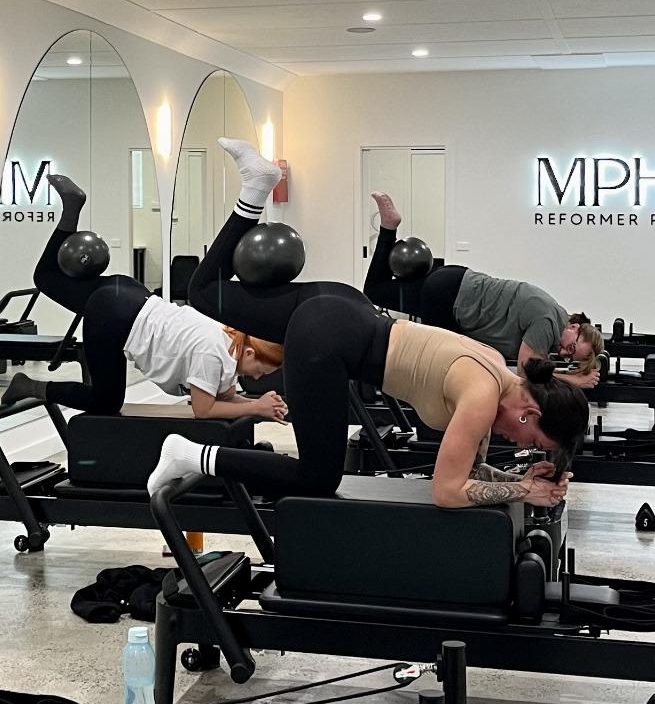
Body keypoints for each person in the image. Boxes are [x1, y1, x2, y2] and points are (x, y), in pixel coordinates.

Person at [149, 140, 587, 510]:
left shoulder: (495, 371)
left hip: (343, 309)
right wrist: (524, 491)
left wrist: (522, 482)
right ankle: (190, 455)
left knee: (204, 292)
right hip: (328, 340)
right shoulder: (481, 396)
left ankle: (256, 187)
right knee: (317, 477)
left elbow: (470, 473)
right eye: (534, 441)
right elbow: (447, 491)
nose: (520, 445)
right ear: (530, 412)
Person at [1, 173, 287, 422]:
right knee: (105, 401)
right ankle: (28, 386)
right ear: (250, 353)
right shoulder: (212, 353)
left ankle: (71, 208)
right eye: (261, 371)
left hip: (128, 295)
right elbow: (203, 409)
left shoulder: (229, 340)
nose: (258, 378)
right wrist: (256, 407)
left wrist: (262, 407)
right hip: (115, 318)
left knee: (46, 278)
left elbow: (223, 399)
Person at [363, 193, 603, 388]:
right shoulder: (549, 323)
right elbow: (526, 370)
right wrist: (573, 380)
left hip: (452, 283)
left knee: (376, 290)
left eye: (570, 358)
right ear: (574, 327)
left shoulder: (553, 312)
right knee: (444, 370)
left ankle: (388, 228)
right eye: (571, 347)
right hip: (449, 300)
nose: (564, 353)